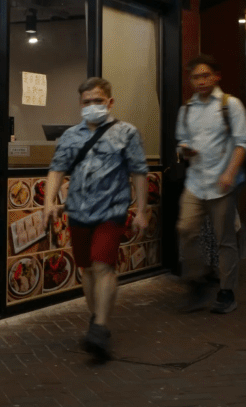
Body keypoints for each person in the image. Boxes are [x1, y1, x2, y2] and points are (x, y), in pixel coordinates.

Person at [42, 77, 148, 361]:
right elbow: (56, 169)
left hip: (111, 211)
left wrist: (141, 210)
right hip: (77, 211)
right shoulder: (70, 136)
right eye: (87, 102)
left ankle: (100, 327)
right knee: (86, 269)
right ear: (80, 104)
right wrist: (49, 202)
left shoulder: (126, 132)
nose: (92, 106)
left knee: (103, 267)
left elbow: (139, 171)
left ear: (110, 102)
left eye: (98, 101)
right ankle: (96, 316)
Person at [175, 54, 246, 315]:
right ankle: (197, 281)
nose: (201, 81)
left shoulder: (231, 105)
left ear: (216, 76)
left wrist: (230, 173)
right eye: (196, 76)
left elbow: (242, 143)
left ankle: (227, 291)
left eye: (206, 75)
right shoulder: (186, 109)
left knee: (224, 240)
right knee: (186, 229)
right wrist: (184, 150)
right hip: (195, 182)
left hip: (222, 183)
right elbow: (181, 142)